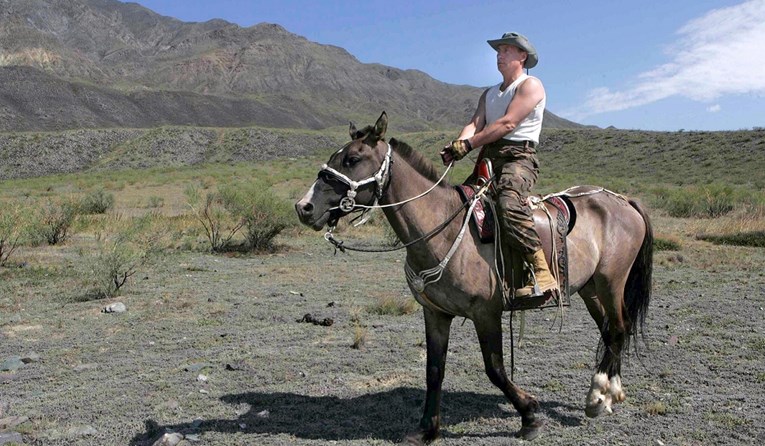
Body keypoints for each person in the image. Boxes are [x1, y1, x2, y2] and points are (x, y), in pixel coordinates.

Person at [440, 32, 558, 300]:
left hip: (519, 158)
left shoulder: (531, 85)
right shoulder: (490, 93)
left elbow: (507, 124)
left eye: (506, 50)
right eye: (499, 50)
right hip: (489, 158)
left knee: (508, 203)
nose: (499, 55)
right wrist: (458, 144)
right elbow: (475, 123)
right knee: (458, 203)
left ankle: (542, 273)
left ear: (522, 56)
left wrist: (469, 146)